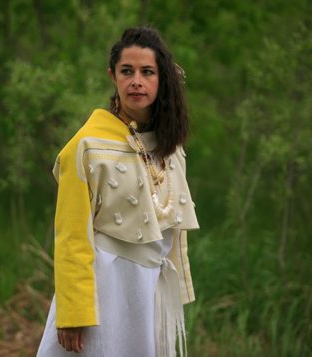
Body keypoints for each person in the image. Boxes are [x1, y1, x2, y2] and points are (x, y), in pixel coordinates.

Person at [36, 26, 199, 357]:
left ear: (161, 78)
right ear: (113, 76)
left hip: (149, 290)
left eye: (147, 72)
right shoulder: (87, 147)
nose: (136, 80)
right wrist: (74, 312)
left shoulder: (171, 146)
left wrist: (177, 289)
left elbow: (172, 227)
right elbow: (71, 235)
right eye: (127, 71)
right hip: (103, 291)